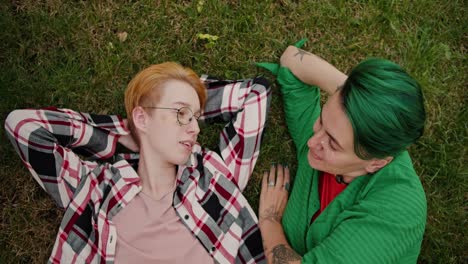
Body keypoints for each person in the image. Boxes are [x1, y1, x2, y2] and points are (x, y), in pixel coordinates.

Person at [5, 62, 271, 263]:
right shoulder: (95, 188)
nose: (195, 128)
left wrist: (186, 103)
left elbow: (256, 94)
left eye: (196, 117)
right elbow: (24, 127)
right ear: (142, 119)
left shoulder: (214, 176)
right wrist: (121, 134)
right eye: (181, 113)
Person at [257, 40, 427, 263]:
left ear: (376, 163)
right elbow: (292, 60)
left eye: (334, 144)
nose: (312, 142)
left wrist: (270, 220)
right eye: (321, 121)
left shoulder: (397, 210)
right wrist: (358, 96)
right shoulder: (328, 140)